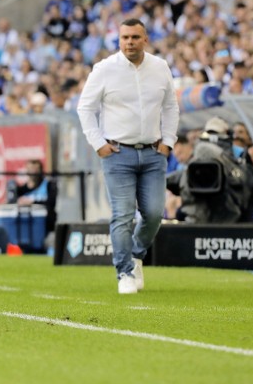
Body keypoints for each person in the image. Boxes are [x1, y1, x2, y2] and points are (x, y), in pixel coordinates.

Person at [77, 19, 179, 295]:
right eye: (125, 37)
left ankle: (136, 254)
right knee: (122, 215)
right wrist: (98, 143)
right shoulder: (104, 69)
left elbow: (171, 107)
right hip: (117, 154)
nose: (130, 42)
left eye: (135, 37)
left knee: (155, 214)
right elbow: (85, 108)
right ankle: (124, 272)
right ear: (119, 40)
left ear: (145, 39)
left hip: (153, 153)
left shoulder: (160, 68)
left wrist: (168, 142)